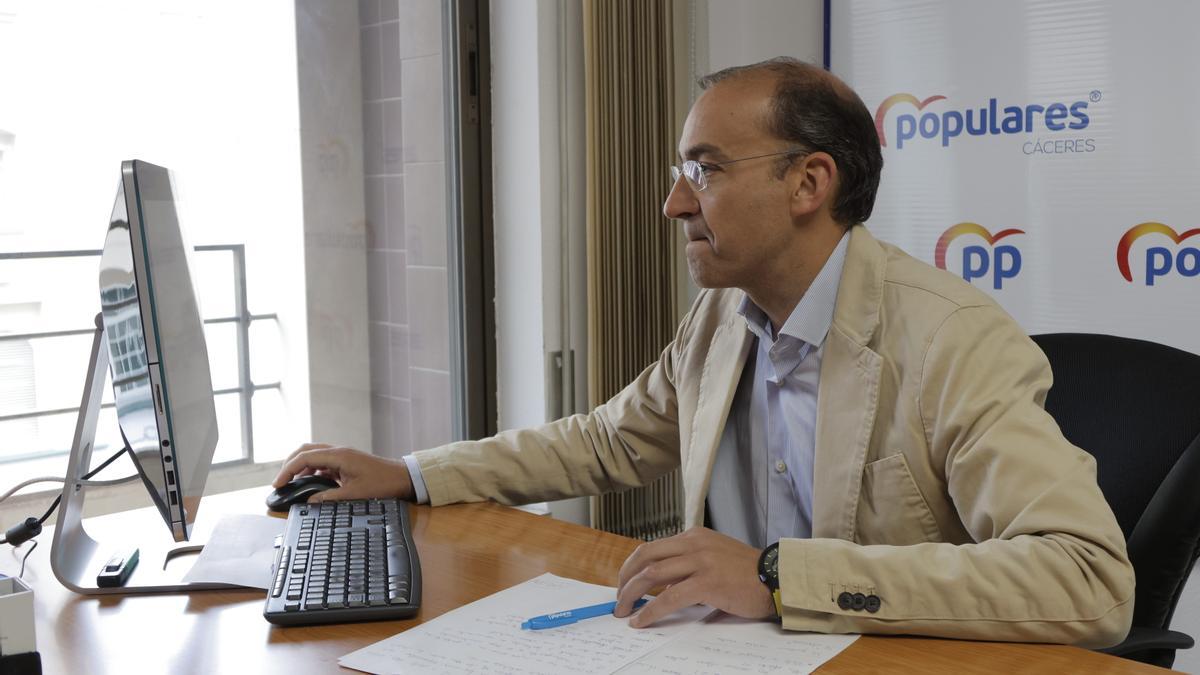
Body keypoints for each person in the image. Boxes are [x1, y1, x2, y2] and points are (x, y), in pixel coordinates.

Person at [275, 57, 1134, 647]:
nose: (672, 202)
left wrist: (777, 573)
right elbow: (604, 440)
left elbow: (1089, 581)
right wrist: (411, 472)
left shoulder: (950, 337)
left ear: (810, 183)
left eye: (706, 169)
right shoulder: (725, 315)